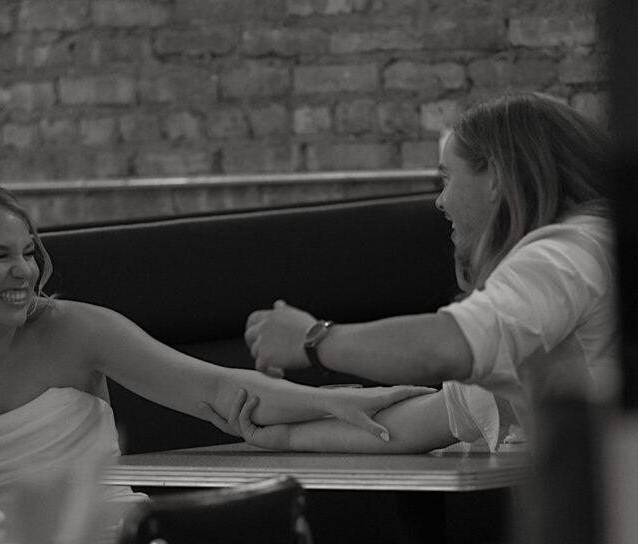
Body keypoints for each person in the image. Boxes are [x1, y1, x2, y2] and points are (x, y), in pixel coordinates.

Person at [0, 181, 431, 544]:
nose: (24, 270)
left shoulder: (75, 330)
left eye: (28, 251)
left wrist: (332, 400)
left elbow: (217, 388)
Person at [205, 91, 616, 453]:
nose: (440, 202)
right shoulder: (579, 259)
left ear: (496, 177)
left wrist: (312, 339)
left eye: (447, 177)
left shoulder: (565, 253)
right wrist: (283, 437)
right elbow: (430, 420)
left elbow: (444, 348)